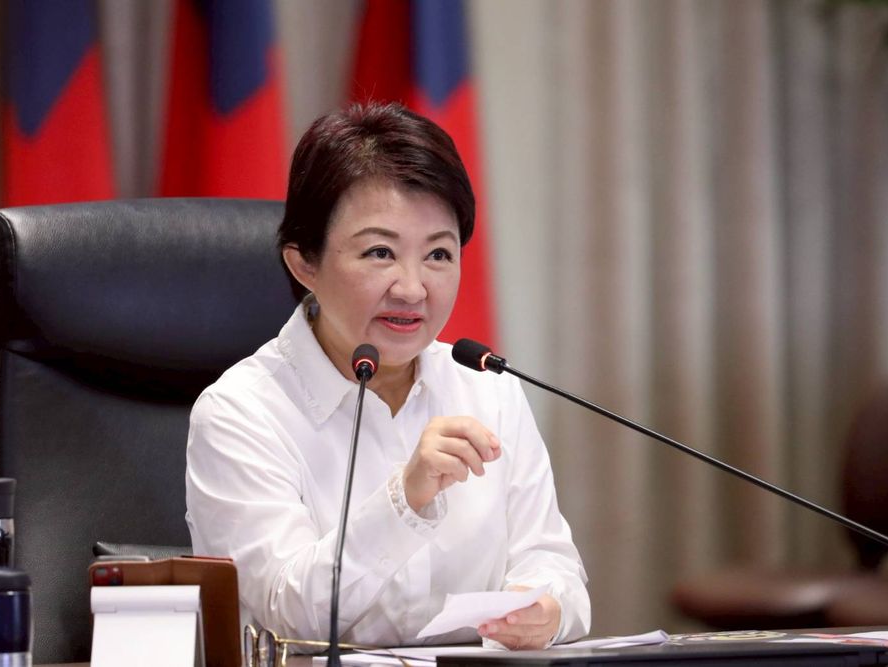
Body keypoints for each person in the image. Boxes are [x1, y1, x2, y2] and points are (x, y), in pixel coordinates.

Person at [185, 102, 590, 651]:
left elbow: (551, 562)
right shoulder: (240, 411)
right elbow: (281, 617)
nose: (413, 288)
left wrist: (546, 609)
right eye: (380, 252)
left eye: (439, 254)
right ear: (304, 264)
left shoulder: (488, 388)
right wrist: (404, 500)